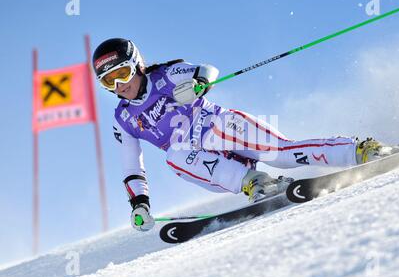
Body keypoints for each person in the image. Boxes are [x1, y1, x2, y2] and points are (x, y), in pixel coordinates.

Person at [92, 38, 383, 231]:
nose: (118, 86)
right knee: (174, 155)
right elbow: (132, 166)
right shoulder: (123, 118)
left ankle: (360, 150)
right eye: (108, 81)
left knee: (282, 154)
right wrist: (139, 204)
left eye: (122, 74)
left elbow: (207, 70)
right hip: (206, 164)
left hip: (219, 126)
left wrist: (200, 83)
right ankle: (256, 183)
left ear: (137, 66)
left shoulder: (166, 74)